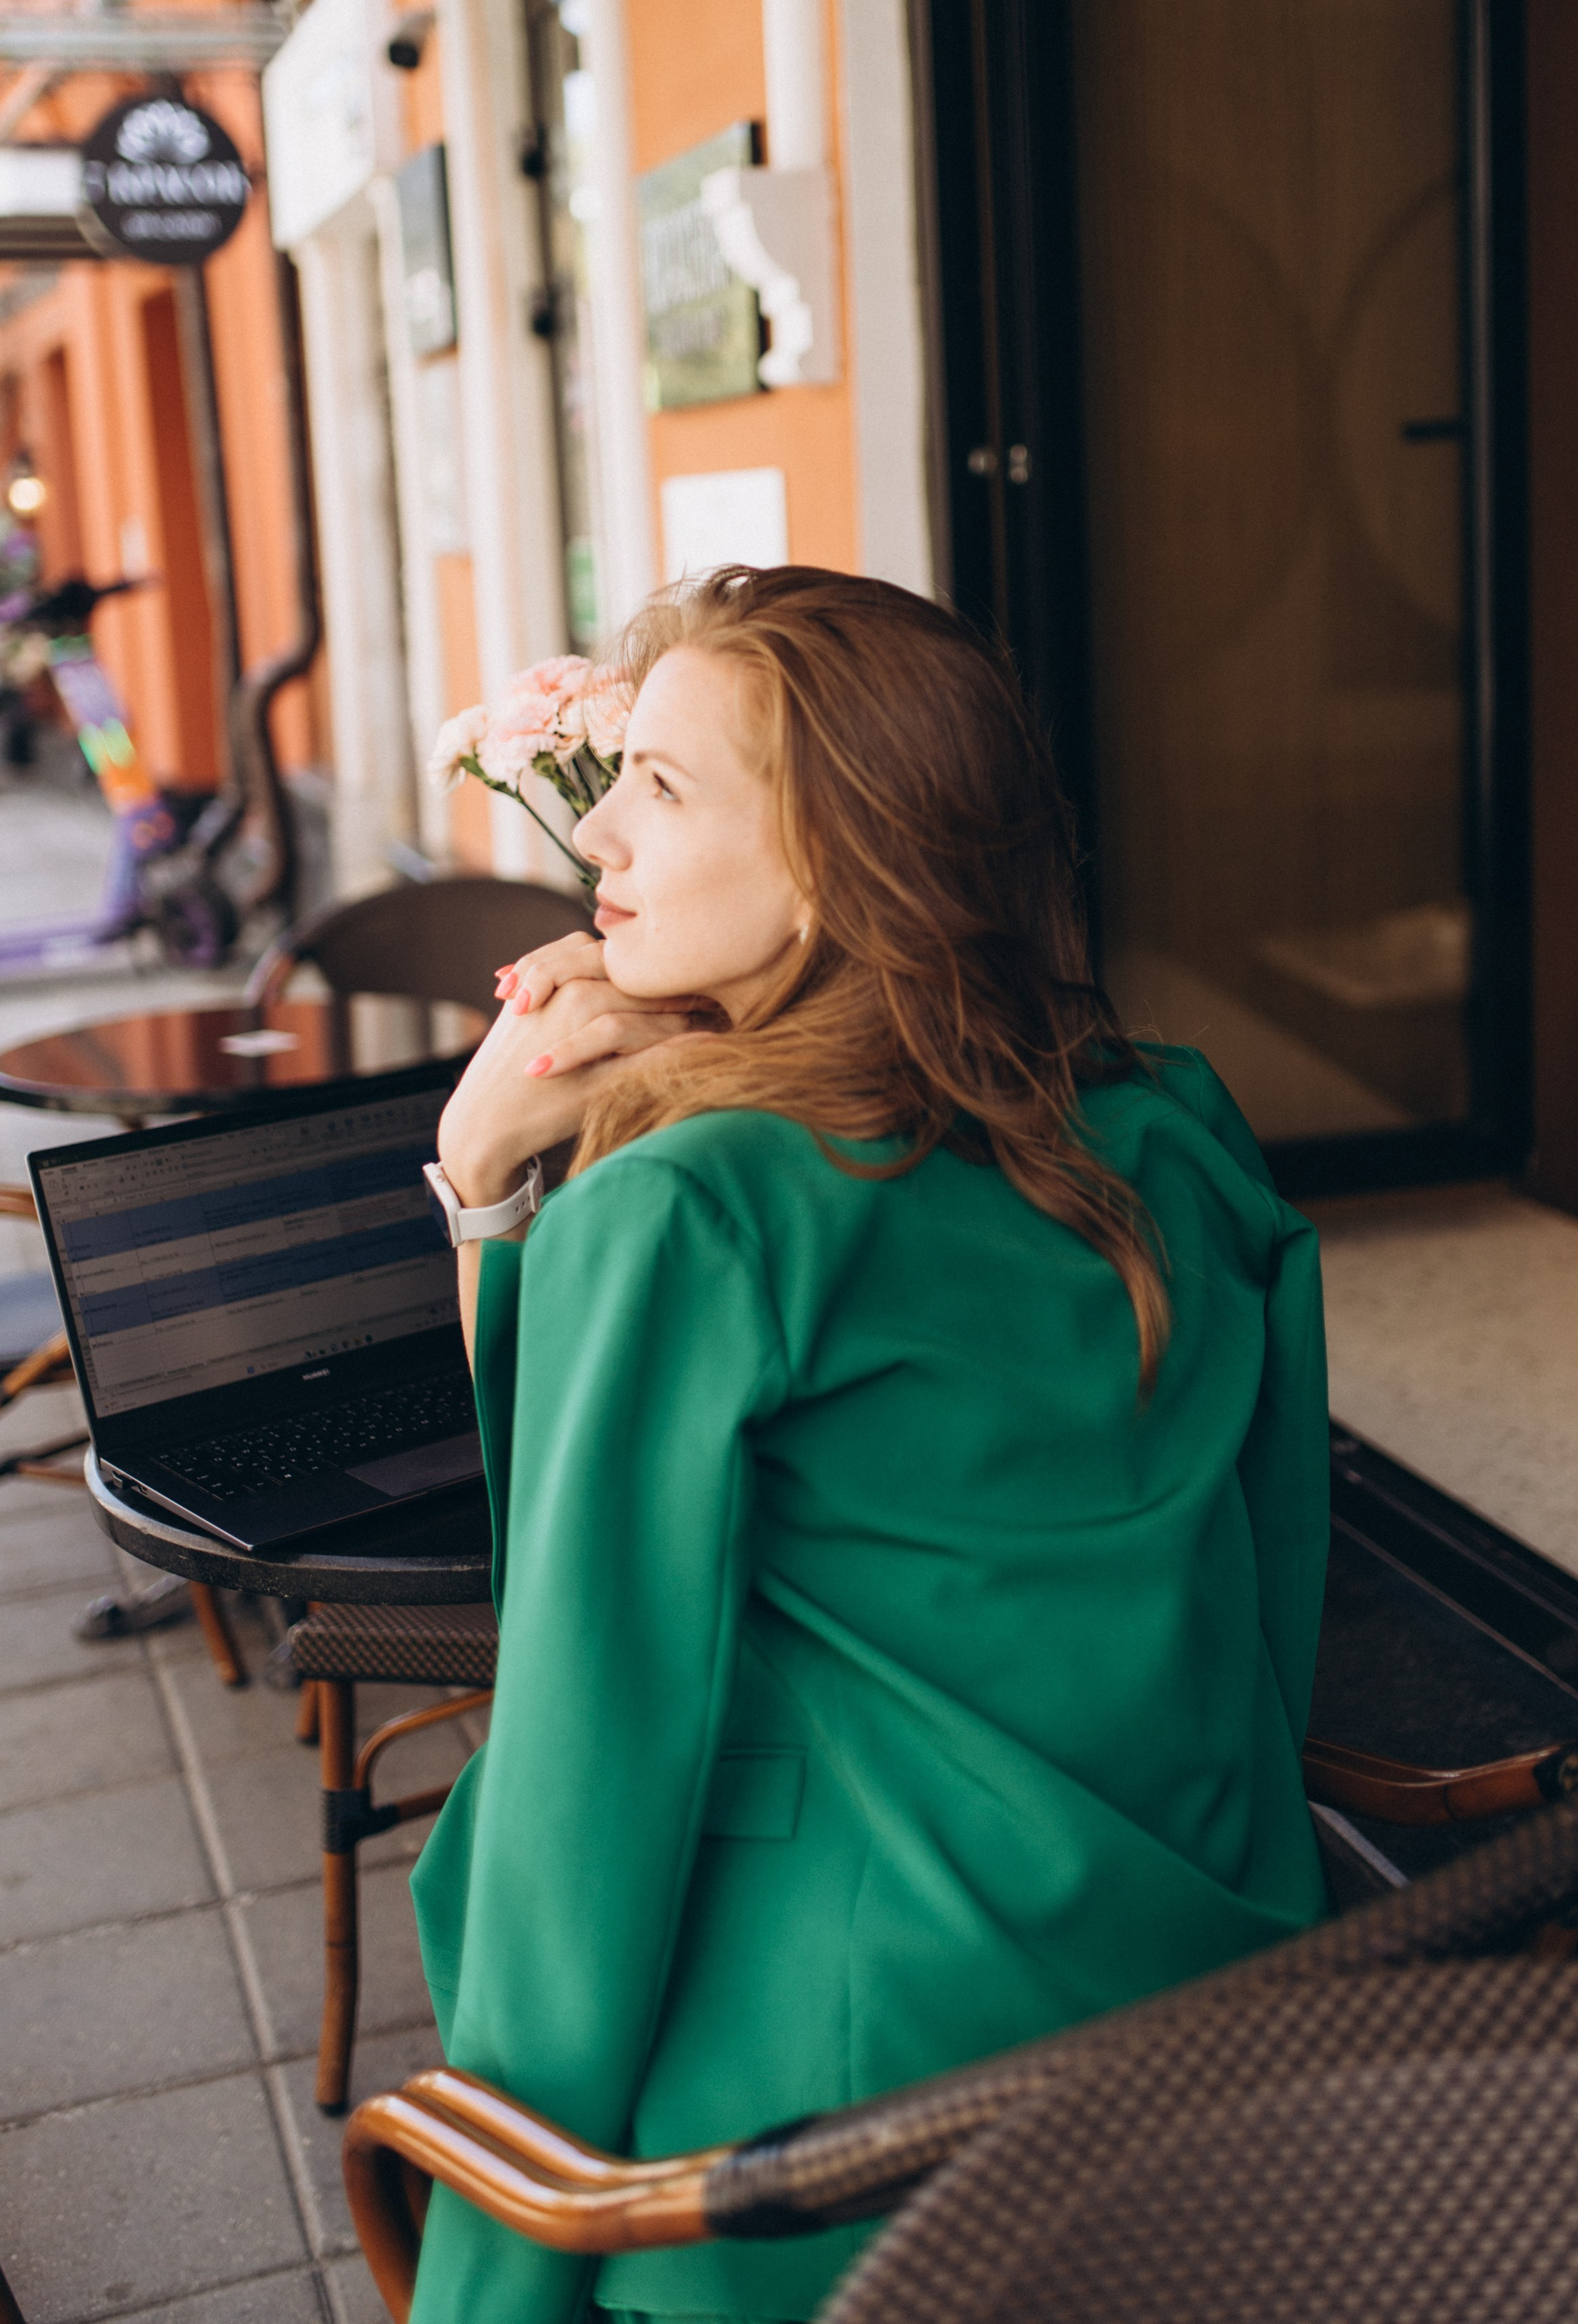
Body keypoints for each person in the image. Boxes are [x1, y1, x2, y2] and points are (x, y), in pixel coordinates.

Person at [409, 566, 1331, 2324]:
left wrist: (483, 1184)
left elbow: (578, 1743)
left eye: (660, 789)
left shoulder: (694, 1205)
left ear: (839, 858)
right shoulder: (1171, 1121)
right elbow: (1273, 1578)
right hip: (1218, 2011)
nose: (598, 836)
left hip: (859, 2144)